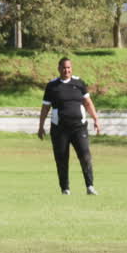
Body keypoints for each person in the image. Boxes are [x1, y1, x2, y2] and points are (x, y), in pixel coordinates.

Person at [38, 57, 102, 195]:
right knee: (61, 159)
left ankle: (90, 186)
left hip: (79, 128)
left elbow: (88, 103)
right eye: (63, 68)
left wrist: (96, 119)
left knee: (85, 156)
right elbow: (45, 108)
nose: (66, 70)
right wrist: (41, 126)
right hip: (59, 129)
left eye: (68, 68)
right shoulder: (52, 86)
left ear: (71, 69)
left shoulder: (79, 83)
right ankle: (65, 188)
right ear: (59, 68)